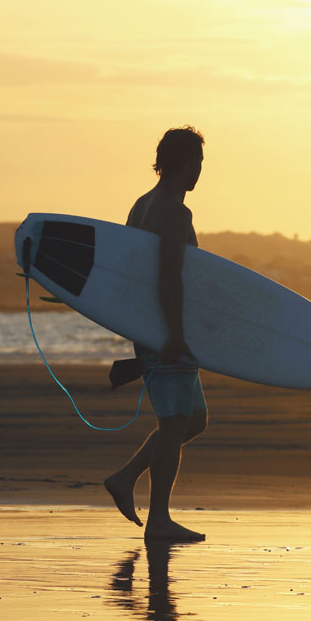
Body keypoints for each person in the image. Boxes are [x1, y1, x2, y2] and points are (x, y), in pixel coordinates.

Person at [103, 126, 208, 542]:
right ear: (182, 165)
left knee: (193, 419)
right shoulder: (175, 213)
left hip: (148, 326)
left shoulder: (142, 204)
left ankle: (126, 478)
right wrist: (175, 334)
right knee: (175, 421)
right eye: (197, 163)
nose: (200, 171)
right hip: (165, 329)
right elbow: (169, 277)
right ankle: (159, 519)